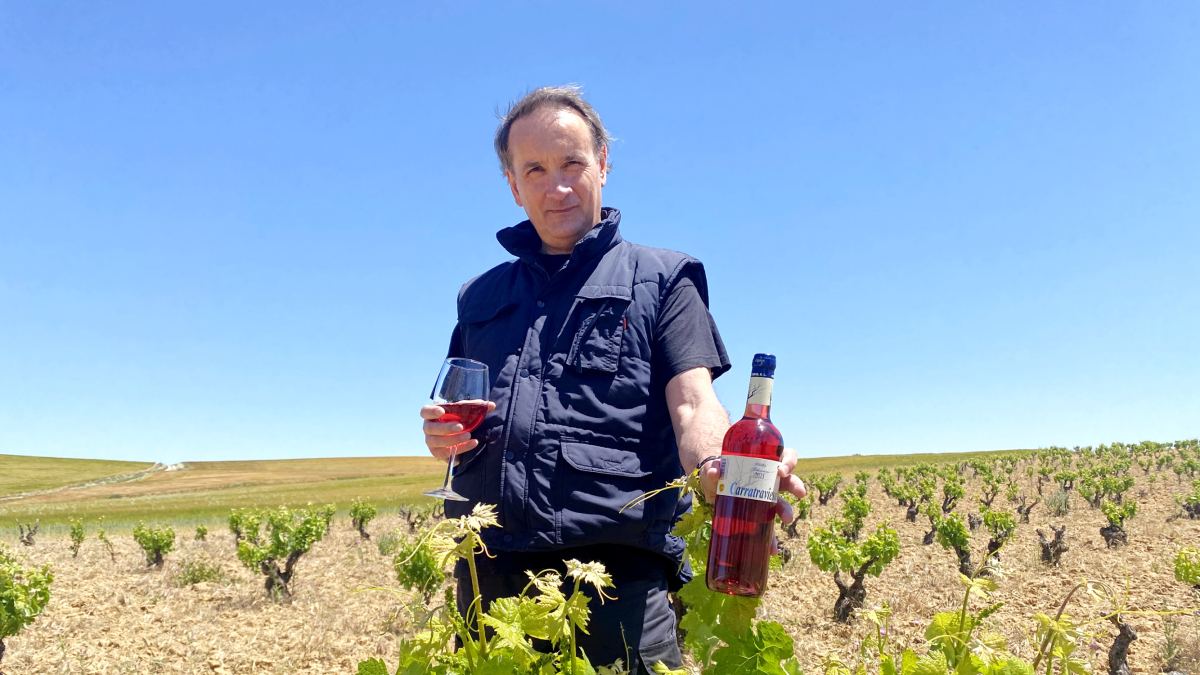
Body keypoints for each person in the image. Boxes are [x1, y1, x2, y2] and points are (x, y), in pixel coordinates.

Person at [420, 85, 807, 673]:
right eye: (536, 169)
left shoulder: (663, 279)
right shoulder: (480, 296)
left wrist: (714, 466)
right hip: (488, 577)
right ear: (512, 183)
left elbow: (694, 402)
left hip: (614, 587)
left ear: (603, 164)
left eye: (573, 163)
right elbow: (460, 407)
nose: (557, 186)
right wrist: (442, 439)